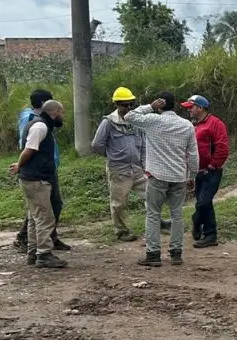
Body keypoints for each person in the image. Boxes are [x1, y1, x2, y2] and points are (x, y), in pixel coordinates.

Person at [124, 92, 199, 267]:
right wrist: (192, 176)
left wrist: (150, 106)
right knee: (177, 215)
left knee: (153, 214)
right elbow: (193, 155)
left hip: (157, 176)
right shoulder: (186, 125)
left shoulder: (153, 121)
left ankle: (153, 253)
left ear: (160, 105)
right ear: (175, 105)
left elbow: (129, 115)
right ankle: (176, 253)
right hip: (179, 176)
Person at [8, 100, 68, 269]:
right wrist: (20, 165)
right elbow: (29, 149)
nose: (62, 116)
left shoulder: (40, 125)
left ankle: (33, 253)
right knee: (45, 218)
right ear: (54, 112)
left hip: (33, 178)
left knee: (35, 218)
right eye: (61, 113)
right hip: (37, 179)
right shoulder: (41, 127)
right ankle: (44, 254)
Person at [92, 87, 147, 242]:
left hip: (137, 167)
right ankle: (121, 231)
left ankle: (156, 222)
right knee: (119, 202)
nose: (128, 108)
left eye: (131, 104)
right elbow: (97, 144)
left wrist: (144, 164)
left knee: (151, 195)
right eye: (124, 105)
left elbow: (143, 144)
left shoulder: (136, 121)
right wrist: (112, 156)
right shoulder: (108, 122)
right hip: (119, 169)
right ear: (117, 104)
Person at [181, 95, 229, 248]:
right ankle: (202, 228)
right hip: (198, 171)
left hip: (211, 171)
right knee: (202, 202)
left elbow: (222, 147)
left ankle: (208, 233)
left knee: (203, 202)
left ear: (200, 108)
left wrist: (213, 165)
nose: (189, 110)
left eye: (191, 107)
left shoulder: (215, 124)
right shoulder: (195, 125)